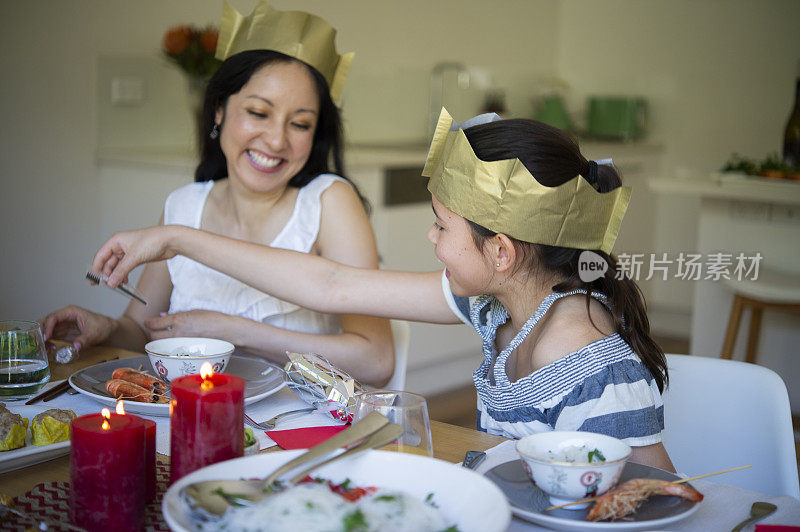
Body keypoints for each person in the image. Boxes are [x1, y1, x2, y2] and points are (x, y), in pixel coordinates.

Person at [92, 108, 674, 471]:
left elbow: (652, 498)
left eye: (442, 227)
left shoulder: (585, 359)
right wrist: (177, 239)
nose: (430, 237)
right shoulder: (499, 303)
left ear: (501, 251)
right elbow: (331, 283)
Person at [40, 1, 394, 386]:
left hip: (297, 426)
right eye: (259, 113)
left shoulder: (329, 202)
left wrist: (236, 331)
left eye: (300, 123)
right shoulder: (184, 205)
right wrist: (106, 328)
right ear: (219, 110)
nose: (276, 140)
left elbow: (375, 360)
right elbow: (145, 330)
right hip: (191, 417)